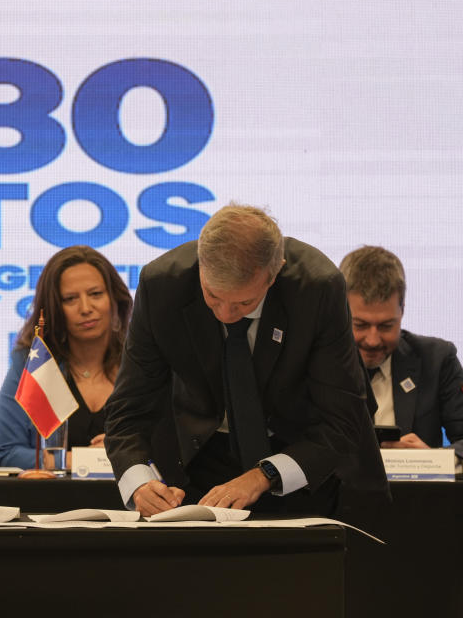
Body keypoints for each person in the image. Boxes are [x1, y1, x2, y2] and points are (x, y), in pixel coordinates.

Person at [104, 203, 387, 517]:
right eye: (212, 296)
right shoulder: (162, 285)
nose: (225, 314)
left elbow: (344, 419)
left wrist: (262, 475)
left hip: (302, 460)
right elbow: (128, 410)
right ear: (200, 264)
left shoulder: (317, 287)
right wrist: (140, 482)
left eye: (244, 302)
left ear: (274, 272)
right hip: (198, 461)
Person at [339, 245, 463, 471]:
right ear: (340, 311)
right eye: (361, 325)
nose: (373, 339)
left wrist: (432, 460)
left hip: (417, 501)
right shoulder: (315, 359)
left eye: (387, 326)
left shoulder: (436, 359)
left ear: (402, 311)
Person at [0, 246, 132, 470]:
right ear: (54, 308)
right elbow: (5, 453)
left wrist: (129, 451)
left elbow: (171, 447)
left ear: (115, 299)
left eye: (95, 294)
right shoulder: (33, 362)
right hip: (51, 502)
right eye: (70, 299)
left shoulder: (142, 361)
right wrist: (76, 461)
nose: (86, 308)